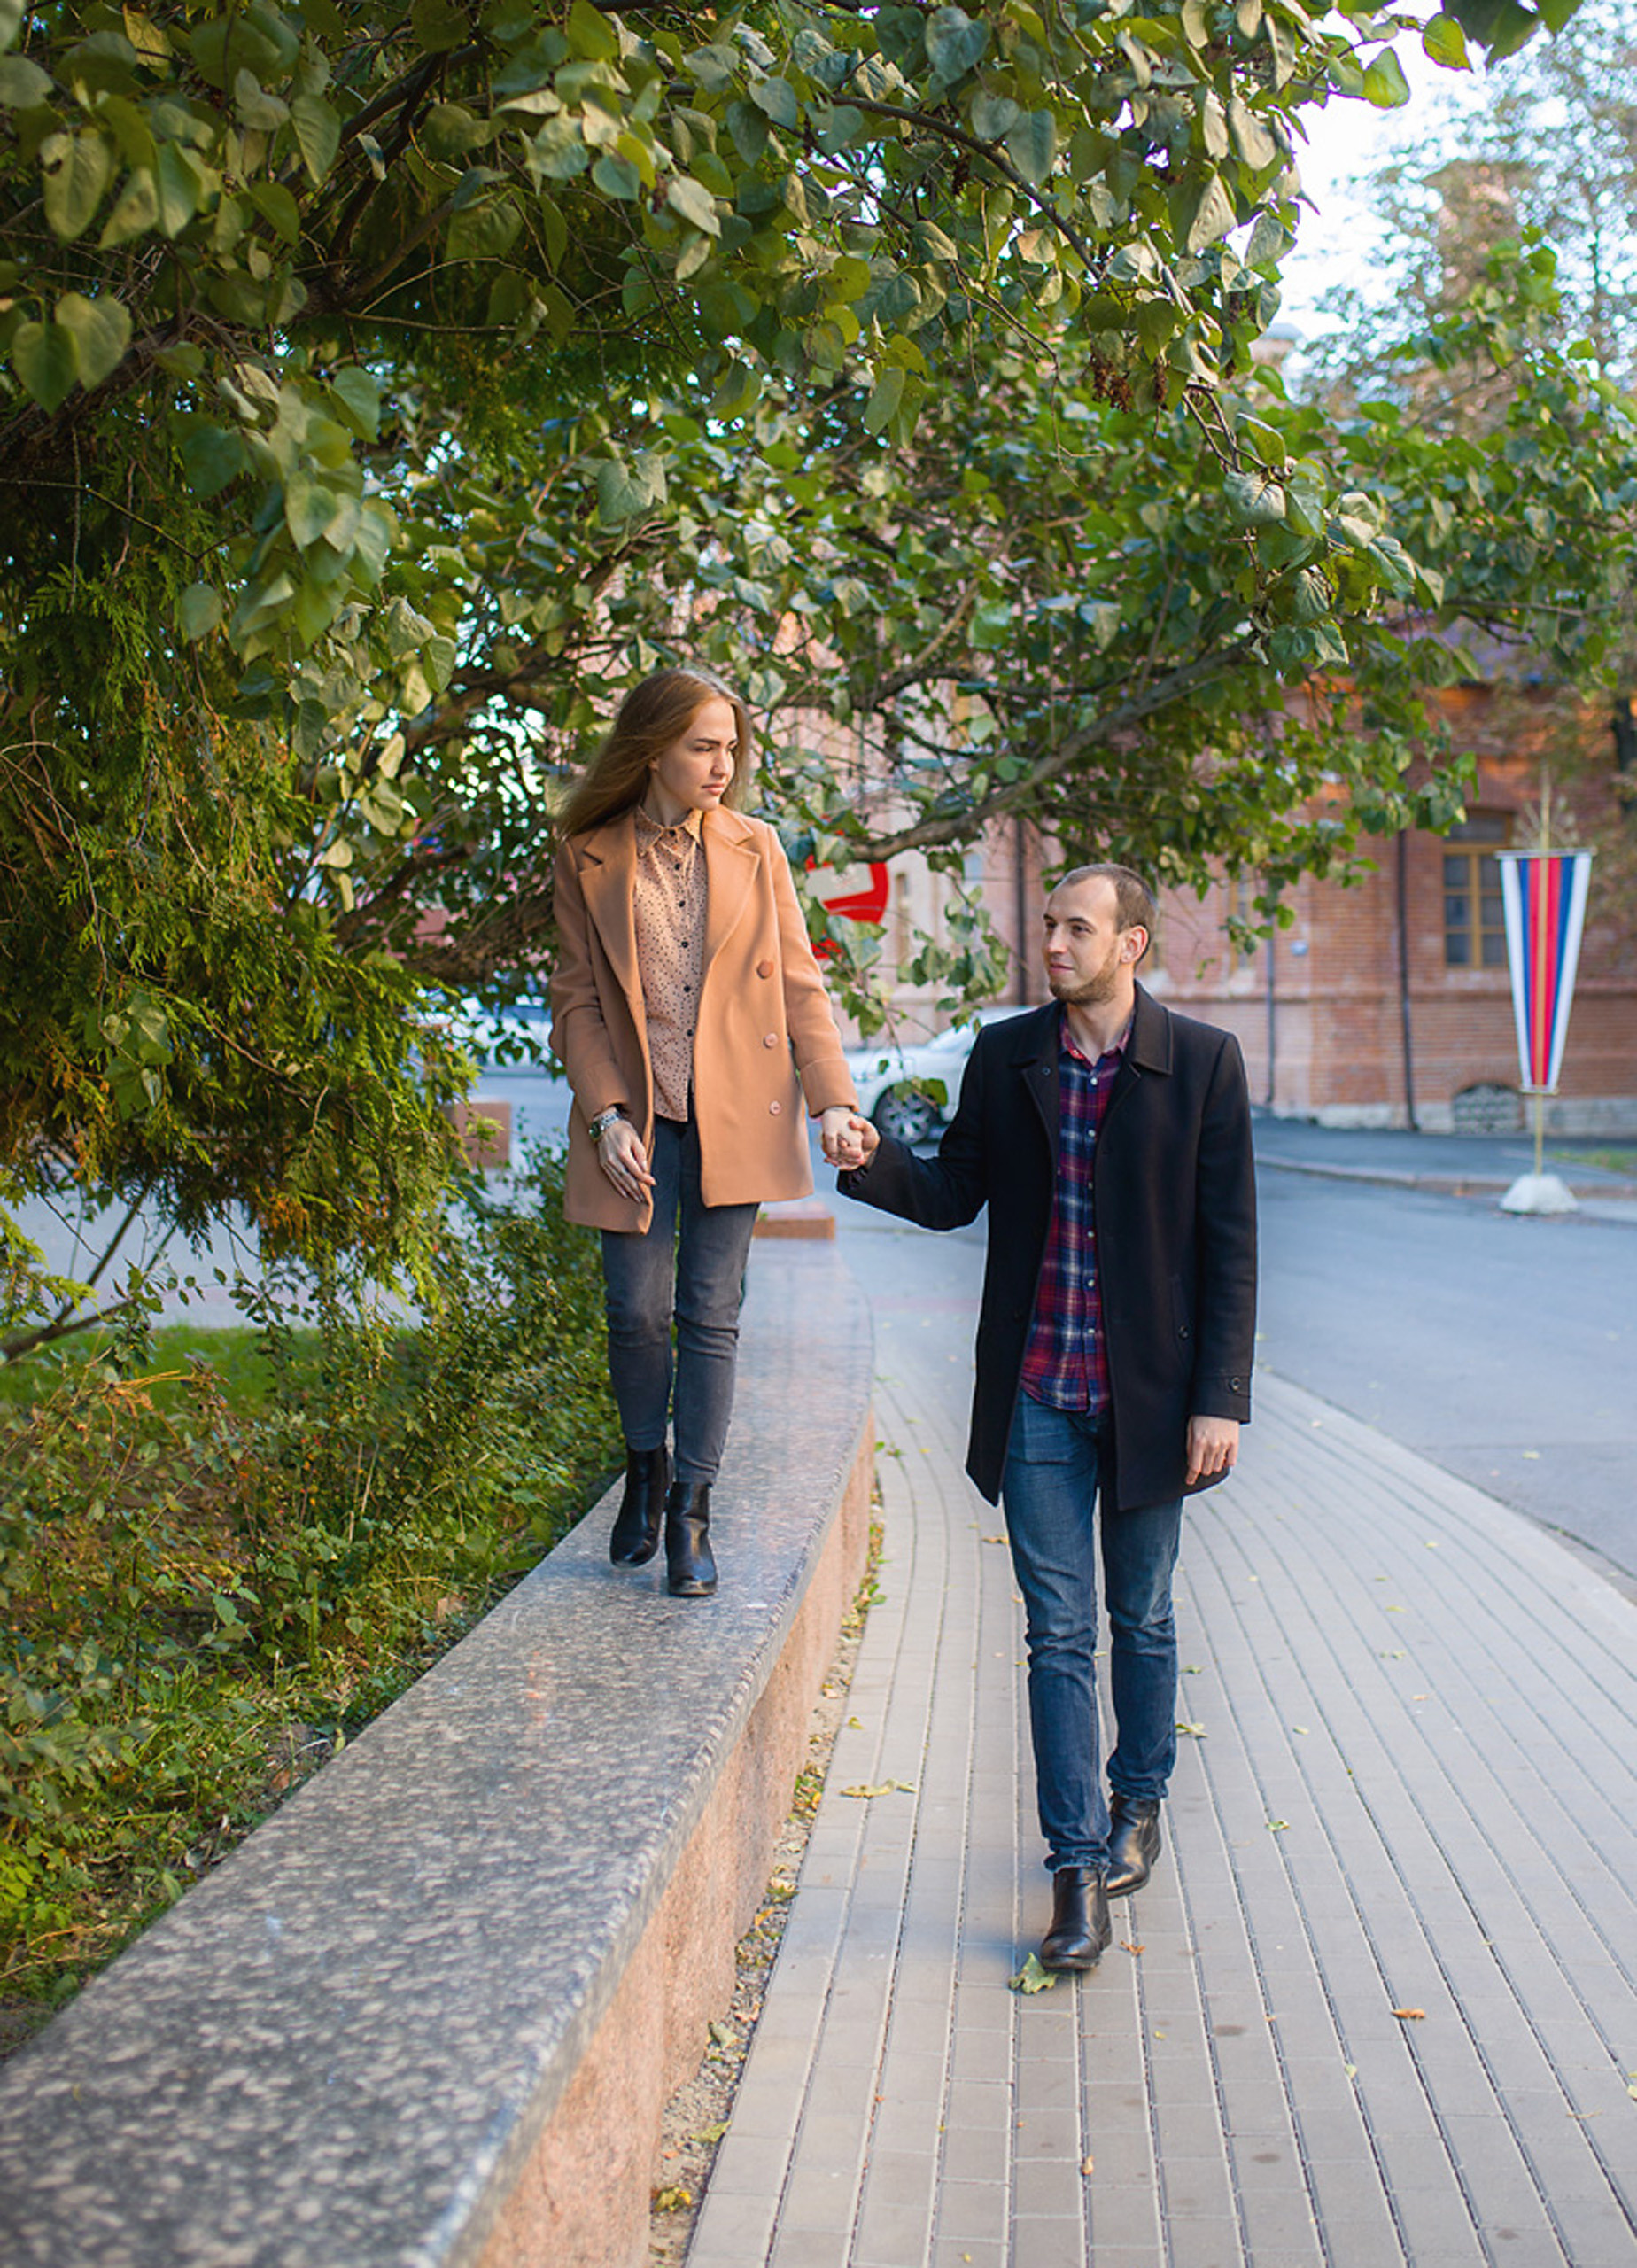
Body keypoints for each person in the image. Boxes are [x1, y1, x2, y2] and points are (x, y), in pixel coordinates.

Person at [839, 865, 1256, 1971]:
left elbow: (1231, 1248)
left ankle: (1141, 1799)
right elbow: (954, 1193)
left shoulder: (1202, 1064)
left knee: (1145, 1615)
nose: (1054, 943)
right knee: (1057, 1633)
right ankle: (1074, 1872)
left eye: (1078, 927)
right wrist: (876, 1162)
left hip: (1152, 1402)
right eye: (1050, 925)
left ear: (1131, 945)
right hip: (1035, 1393)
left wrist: (1220, 1398)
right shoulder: (1008, 1054)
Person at [550, 666, 868, 1597]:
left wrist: (833, 1101)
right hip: (635, 1122)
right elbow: (574, 998)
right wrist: (605, 1114)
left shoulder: (756, 847)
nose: (724, 763)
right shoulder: (585, 850)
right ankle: (644, 1465)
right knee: (634, 1311)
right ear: (653, 750)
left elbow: (800, 984)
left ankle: (692, 1510)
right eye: (703, 746)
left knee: (710, 1314)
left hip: (739, 1111)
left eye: (732, 746)